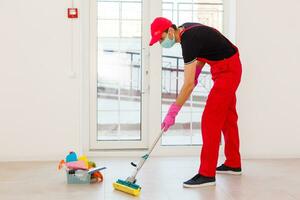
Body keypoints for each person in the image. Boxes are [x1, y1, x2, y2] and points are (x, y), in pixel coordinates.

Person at [149, 17, 242, 188]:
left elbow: (189, 84)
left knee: (210, 120)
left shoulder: (188, 42)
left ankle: (206, 174)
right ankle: (233, 163)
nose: (161, 43)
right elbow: (204, 51)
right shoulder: (186, 30)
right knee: (228, 118)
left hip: (228, 71)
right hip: (226, 67)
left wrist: (173, 111)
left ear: (170, 31)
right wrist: (197, 72)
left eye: (161, 39)